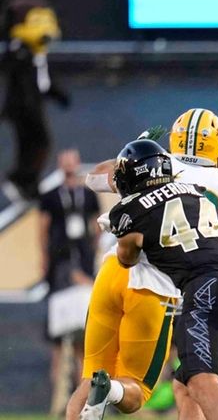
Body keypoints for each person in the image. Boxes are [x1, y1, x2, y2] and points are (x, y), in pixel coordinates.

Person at [66, 110, 218, 420]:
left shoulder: (156, 162)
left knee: (96, 377)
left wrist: (133, 150)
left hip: (115, 268)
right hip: (159, 284)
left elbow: (94, 178)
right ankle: (112, 390)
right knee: (158, 386)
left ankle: (97, 395)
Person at [39, 149, 99, 415]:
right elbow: (43, 226)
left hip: (83, 268)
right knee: (58, 340)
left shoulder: (87, 195)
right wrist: (44, 258)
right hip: (59, 272)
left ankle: (81, 398)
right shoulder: (50, 196)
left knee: (82, 342)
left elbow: (95, 226)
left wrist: (92, 254)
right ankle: (58, 400)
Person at [2, 0, 69, 199]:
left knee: (34, 144)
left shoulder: (38, 53)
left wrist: (58, 95)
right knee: (38, 142)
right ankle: (19, 179)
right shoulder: (19, 53)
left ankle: (28, 182)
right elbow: (17, 79)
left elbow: (44, 80)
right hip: (22, 107)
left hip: (35, 105)